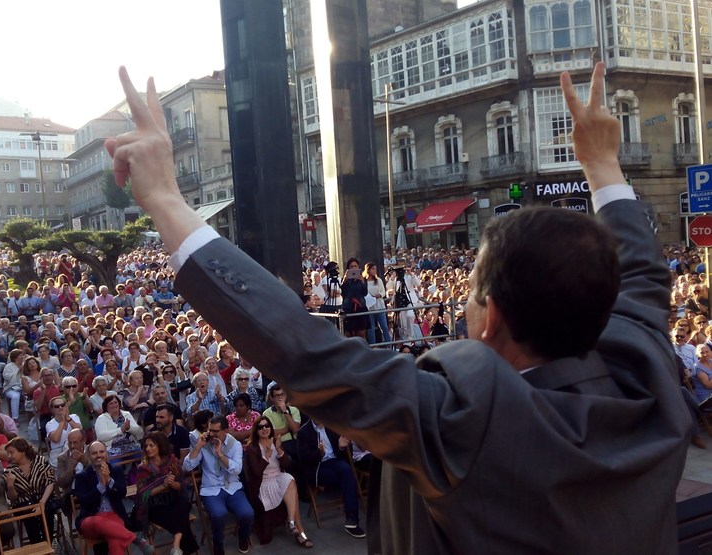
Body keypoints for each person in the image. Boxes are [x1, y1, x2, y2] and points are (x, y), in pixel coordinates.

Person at [109, 63, 690, 554]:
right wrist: (604, 167)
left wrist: (163, 197)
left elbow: (306, 351)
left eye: (468, 294)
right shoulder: (647, 368)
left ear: (493, 319)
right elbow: (641, 277)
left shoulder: (467, 422)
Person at [182, 415, 254, 555]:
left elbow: (237, 470)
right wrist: (198, 447)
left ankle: (243, 536)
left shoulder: (235, 445)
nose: (212, 434)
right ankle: (218, 542)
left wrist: (220, 455)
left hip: (232, 487)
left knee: (248, 513)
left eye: (216, 431)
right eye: (210, 430)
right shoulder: (203, 444)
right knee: (219, 514)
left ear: (225, 430)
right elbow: (187, 467)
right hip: (211, 489)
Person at [244, 417, 313, 547]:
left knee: (290, 479)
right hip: (263, 482)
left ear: (270, 428)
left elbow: (287, 465)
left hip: (278, 476)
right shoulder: (252, 448)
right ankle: (300, 532)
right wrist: (267, 455)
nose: (264, 429)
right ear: (256, 430)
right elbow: (257, 472)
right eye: (260, 427)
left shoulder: (276, 441)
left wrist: (279, 449)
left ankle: (292, 523)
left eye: (267, 426)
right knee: (294, 495)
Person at [132, 432, 199, 555]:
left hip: (173, 499)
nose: (147, 449)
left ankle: (176, 545)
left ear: (160, 445)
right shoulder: (144, 467)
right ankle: (177, 547)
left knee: (183, 504)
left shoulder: (172, 461)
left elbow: (183, 485)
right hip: (154, 504)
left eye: (151, 445)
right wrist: (163, 486)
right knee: (180, 519)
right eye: (146, 446)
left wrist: (172, 484)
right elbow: (142, 494)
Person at [297, 419, 364, 538]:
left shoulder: (331, 426)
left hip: (334, 462)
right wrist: (319, 453)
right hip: (317, 467)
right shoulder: (304, 432)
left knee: (347, 471)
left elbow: (342, 453)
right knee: (347, 476)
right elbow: (304, 460)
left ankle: (351, 520)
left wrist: (341, 446)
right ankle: (352, 519)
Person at [74, 441, 142, 555]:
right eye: (94, 453)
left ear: (107, 453)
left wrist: (109, 480)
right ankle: (135, 539)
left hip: (113, 516)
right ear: (89, 456)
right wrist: (101, 485)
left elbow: (121, 493)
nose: (99, 455)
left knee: (115, 540)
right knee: (98, 521)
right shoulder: (82, 476)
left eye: (101, 452)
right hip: (91, 519)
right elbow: (83, 501)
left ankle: (135, 540)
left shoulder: (116, 471)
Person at [3, 437, 55, 543]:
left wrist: (42, 503)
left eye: (11, 452)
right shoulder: (10, 470)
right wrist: (10, 486)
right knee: (30, 517)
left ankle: (48, 544)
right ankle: (37, 546)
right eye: (7, 453)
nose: (9, 456)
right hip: (24, 504)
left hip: (43, 498)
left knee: (47, 512)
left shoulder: (40, 461)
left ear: (22, 451)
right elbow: (12, 498)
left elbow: (50, 482)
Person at [45, 396, 82, 468]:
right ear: (52, 409)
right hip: (58, 452)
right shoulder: (50, 424)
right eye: (56, 406)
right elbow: (55, 439)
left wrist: (68, 419)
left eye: (62, 405)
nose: (60, 407)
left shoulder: (74, 417)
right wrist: (62, 422)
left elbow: (80, 432)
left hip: (76, 449)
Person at [363, 262, 391, 345]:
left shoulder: (378, 280)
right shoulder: (364, 281)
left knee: (384, 327)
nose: (375, 271)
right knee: (371, 329)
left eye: (375, 269)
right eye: (373, 269)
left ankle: (389, 344)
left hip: (379, 306)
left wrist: (379, 295)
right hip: (369, 307)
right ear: (368, 270)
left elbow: (383, 292)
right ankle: (373, 345)